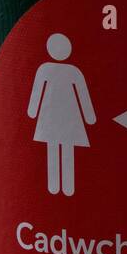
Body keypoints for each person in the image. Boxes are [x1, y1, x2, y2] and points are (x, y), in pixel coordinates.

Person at [27, 33, 96, 196]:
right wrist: (89, 117)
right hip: (63, 116)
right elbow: (82, 96)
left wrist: (33, 111)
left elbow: (82, 94)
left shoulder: (49, 69)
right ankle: (63, 187)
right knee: (63, 150)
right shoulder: (70, 71)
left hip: (55, 116)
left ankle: (58, 186)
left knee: (59, 150)